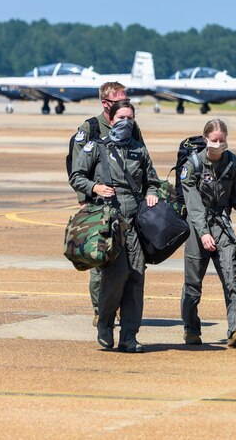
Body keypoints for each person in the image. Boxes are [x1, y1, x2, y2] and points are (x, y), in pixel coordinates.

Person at [70, 100, 160, 353]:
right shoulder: (96, 147)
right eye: (122, 117)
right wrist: (94, 188)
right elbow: (77, 176)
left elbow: (152, 180)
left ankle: (130, 336)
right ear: (111, 119)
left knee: (136, 278)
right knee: (115, 276)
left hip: (134, 224)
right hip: (108, 224)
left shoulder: (139, 150)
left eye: (130, 117)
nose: (127, 122)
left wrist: (153, 193)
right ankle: (106, 324)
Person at [70, 82, 143, 327]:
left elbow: (139, 158)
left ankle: (121, 310)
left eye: (126, 100)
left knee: (129, 264)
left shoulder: (131, 125)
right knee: (100, 259)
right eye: (117, 101)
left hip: (125, 206)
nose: (123, 107)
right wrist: (85, 198)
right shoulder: (90, 128)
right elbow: (77, 167)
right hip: (96, 203)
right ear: (105, 103)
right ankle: (100, 310)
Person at [180, 119, 236, 348]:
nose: (219, 144)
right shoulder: (191, 166)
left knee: (232, 279)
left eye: (222, 140)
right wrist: (203, 233)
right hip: (196, 228)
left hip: (222, 227)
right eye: (214, 140)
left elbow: (234, 196)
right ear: (205, 140)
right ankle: (191, 329)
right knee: (193, 285)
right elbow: (193, 206)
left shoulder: (232, 162)